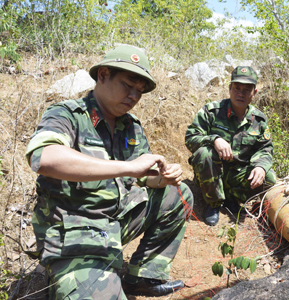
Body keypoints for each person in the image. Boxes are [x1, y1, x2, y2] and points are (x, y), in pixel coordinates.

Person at [25, 45, 193, 299]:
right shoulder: (68, 115)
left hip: (114, 220)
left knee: (178, 194)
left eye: (140, 91)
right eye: (128, 85)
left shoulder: (131, 126)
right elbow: (44, 157)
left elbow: (142, 177)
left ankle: (144, 276)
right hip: (74, 232)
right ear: (103, 75)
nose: (134, 96)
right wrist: (127, 167)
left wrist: (162, 179)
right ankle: (66, 272)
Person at [185, 66, 276, 226]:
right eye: (237, 88)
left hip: (238, 176)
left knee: (269, 177)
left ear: (254, 93)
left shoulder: (259, 120)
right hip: (212, 172)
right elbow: (191, 137)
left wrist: (260, 167)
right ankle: (213, 203)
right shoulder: (211, 111)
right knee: (204, 153)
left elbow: (265, 149)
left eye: (247, 90)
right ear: (229, 89)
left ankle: (233, 198)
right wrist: (214, 139)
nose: (241, 93)